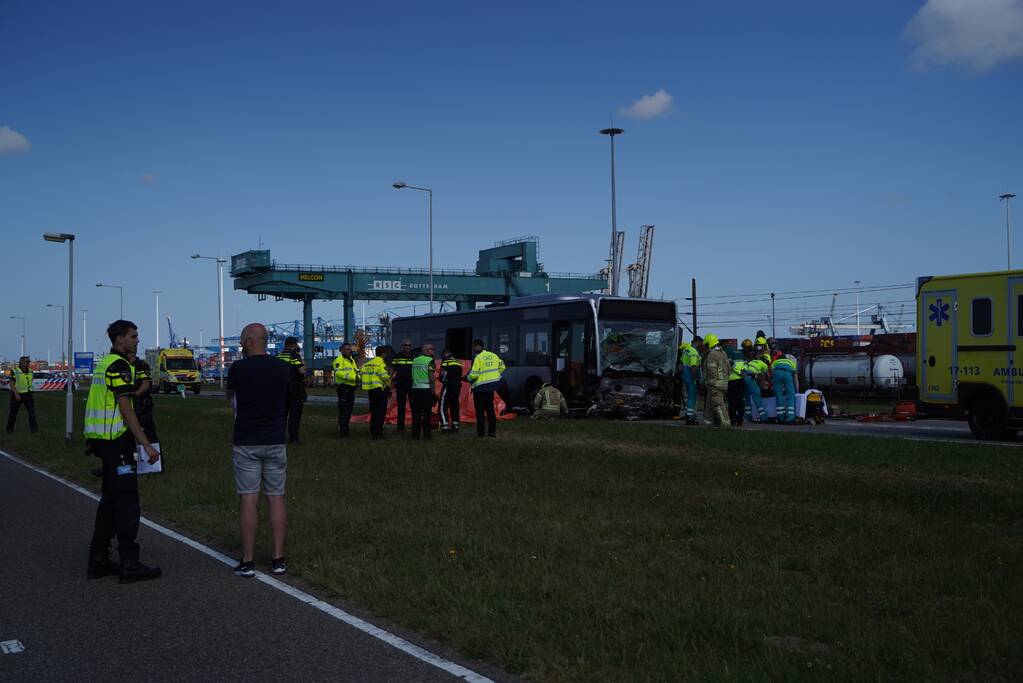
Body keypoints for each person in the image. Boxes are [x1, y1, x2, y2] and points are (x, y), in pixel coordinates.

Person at [85, 320, 161, 583]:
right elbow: (125, 409)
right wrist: (146, 443)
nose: (137, 340)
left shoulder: (105, 363)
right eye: (133, 336)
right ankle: (130, 563)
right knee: (128, 502)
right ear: (119, 340)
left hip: (103, 442)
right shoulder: (119, 367)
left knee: (109, 500)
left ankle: (99, 559)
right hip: (116, 442)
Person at [225, 323, 291, 577]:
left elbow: (231, 396)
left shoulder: (239, 368)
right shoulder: (281, 367)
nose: (241, 344)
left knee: (249, 499)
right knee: (276, 498)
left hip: (247, 441)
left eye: (243, 340)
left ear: (251, 340)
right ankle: (278, 558)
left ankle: (248, 560)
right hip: (275, 439)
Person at [465, 339, 505, 438]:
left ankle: (481, 432)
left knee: (480, 411)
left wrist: (467, 378)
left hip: (480, 388)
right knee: (490, 409)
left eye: (474, 346)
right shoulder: (493, 355)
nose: (473, 349)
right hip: (491, 387)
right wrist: (494, 376)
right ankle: (492, 432)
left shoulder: (478, 358)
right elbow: (503, 367)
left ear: (478, 346)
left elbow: (473, 375)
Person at [277, 337, 306, 444]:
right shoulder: (295, 356)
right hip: (295, 389)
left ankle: (280, 437)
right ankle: (294, 438)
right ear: (294, 345)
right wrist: (303, 361)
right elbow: (302, 371)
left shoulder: (279, 356)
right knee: (295, 415)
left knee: (281, 415)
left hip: (281, 389)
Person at [361, 346, 392, 439]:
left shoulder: (368, 363)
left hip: (371, 390)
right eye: (386, 354)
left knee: (374, 412)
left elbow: (361, 372)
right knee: (380, 412)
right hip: (380, 390)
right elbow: (384, 376)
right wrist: (389, 378)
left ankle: (373, 431)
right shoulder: (380, 362)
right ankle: (378, 433)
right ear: (383, 354)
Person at [702, 334, 731, 427]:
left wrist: (710, 382)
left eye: (706, 345)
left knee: (718, 404)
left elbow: (712, 371)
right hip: (724, 383)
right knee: (710, 404)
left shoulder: (712, 354)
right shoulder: (724, 353)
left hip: (715, 384)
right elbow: (729, 368)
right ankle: (707, 422)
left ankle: (726, 424)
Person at [131, 353, 159, 445]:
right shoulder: (123, 365)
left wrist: (133, 396)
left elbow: (146, 384)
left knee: (149, 436)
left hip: (142, 406)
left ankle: (155, 456)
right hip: (131, 406)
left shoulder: (141, 365)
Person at [332, 343, 359, 437]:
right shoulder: (338, 360)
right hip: (343, 388)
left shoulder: (351, 360)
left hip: (351, 388)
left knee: (349, 410)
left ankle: (345, 430)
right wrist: (353, 378)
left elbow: (356, 371)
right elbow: (339, 373)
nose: (348, 351)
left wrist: (358, 377)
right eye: (346, 349)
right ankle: (343, 432)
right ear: (342, 350)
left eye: (349, 349)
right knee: (343, 410)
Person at [410, 343, 437, 439]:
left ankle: (415, 435)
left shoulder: (415, 360)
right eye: (432, 349)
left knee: (416, 414)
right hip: (426, 390)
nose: (433, 351)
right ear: (426, 350)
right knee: (427, 413)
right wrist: (433, 391)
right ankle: (427, 435)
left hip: (415, 389)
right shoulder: (430, 361)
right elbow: (431, 377)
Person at [6, 356, 38, 434]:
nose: (28, 363)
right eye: (27, 362)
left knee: (32, 413)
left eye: (29, 362)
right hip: (17, 395)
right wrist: (16, 394)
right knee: (13, 414)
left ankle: (34, 430)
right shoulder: (15, 371)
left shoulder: (30, 371)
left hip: (28, 394)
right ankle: (9, 430)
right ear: (21, 362)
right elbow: (11, 384)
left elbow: (30, 381)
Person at [391, 339, 415, 433]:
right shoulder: (397, 356)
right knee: (401, 407)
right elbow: (392, 369)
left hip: (412, 384)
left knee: (414, 406)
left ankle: (414, 426)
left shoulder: (414, 356)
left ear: (411, 346)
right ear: (403, 346)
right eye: (405, 345)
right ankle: (400, 428)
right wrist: (390, 383)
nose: (407, 347)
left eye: (409, 345)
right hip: (400, 384)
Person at [677, 337, 701, 425]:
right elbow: (694, 367)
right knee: (692, 397)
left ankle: (688, 414)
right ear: (697, 342)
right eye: (700, 343)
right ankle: (690, 417)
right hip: (691, 378)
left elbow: (680, 365)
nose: (700, 345)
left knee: (688, 397)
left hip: (685, 377)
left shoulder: (686, 350)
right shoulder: (694, 352)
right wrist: (696, 379)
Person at [438, 349, 462, 433]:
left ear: (445, 355)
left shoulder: (445, 363)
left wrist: (441, 379)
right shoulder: (458, 363)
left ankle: (445, 426)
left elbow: (442, 377)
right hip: (457, 387)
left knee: (442, 406)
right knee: (454, 405)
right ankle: (455, 426)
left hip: (448, 386)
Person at [772, 353, 800, 424]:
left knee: (779, 396)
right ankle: (790, 418)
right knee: (790, 396)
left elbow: (772, 374)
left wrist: (773, 385)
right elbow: (796, 379)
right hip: (788, 374)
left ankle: (781, 418)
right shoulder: (791, 363)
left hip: (777, 373)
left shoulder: (775, 362)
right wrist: (797, 390)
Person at [743, 352, 770, 423]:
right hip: (750, 379)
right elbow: (766, 377)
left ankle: (747, 417)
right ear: (766, 361)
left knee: (747, 398)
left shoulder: (753, 361)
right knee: (757, 396)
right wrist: (770, 383)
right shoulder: (764, 365)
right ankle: (764, 417)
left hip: (743, 378)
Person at [727, 351, 747, 426]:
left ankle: (733, 420)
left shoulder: (729, 356)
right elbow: (745, 365)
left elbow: (731, 366)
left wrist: (739, 372)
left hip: (732, 381)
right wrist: (742, 372)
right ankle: (740, 420)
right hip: (741, 380)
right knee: (740, 401)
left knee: (732, 402)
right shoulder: (742, 357)